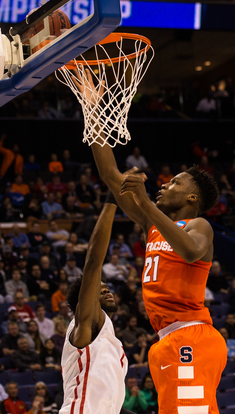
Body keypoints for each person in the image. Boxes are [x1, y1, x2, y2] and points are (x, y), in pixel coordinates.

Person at [75, 71, 228, 413]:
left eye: (174, 183)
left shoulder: (199, 225)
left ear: (191, 198)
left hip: (192, 335)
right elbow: (111, 176)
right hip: (169, 339)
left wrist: (145, 203)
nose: (163, 185)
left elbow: (189, 252)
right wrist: (93, 108)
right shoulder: (151, 224)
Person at [59, 202, 128, 414]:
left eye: (107, 287)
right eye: (100, 288)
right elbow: (93, 263)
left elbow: (109, 398)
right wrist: (112, 201)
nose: (107, 290)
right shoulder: (85, 324)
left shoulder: (110, 339)